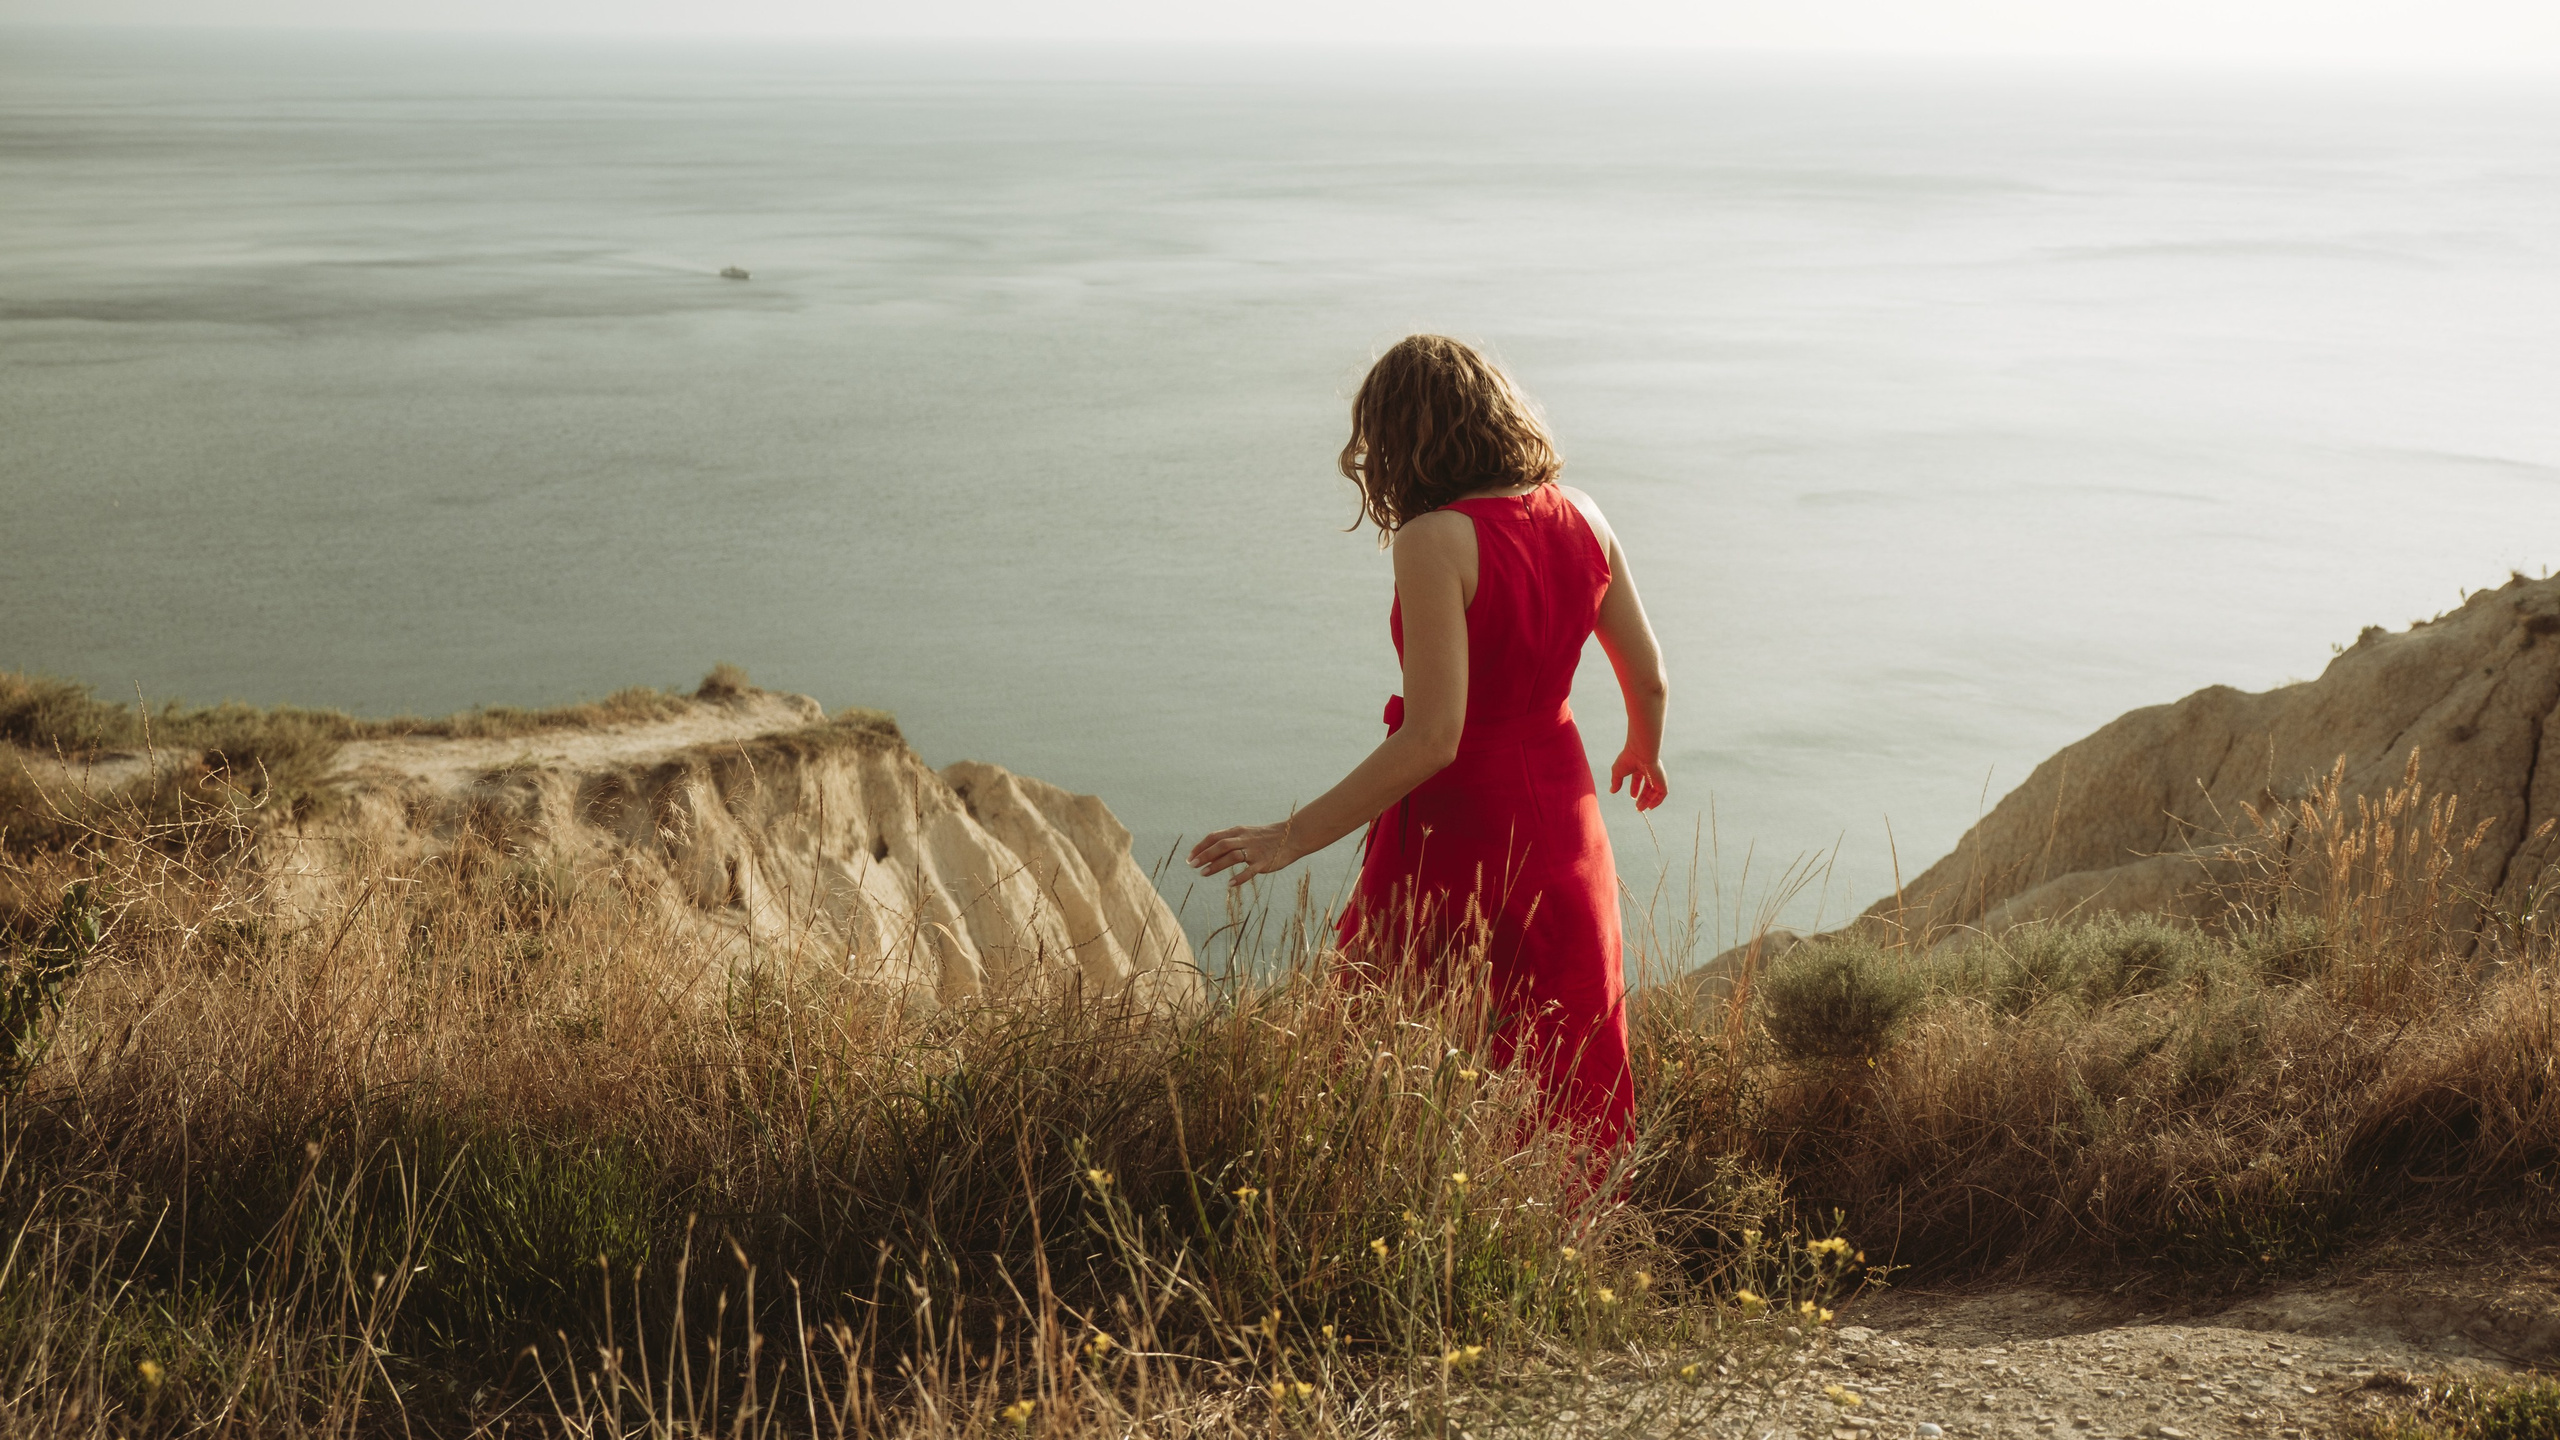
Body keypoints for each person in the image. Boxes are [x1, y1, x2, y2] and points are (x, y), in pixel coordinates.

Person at [1187, 334, 1669, 1155]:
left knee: (1388, 1049)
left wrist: (1289, 837)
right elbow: (1649, 676)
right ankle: (1573, 1243)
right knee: (1568, 1048)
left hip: (1459, 835)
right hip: (1565, 816)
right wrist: (1641, 750)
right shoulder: (1587, 515)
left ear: (1405, 440)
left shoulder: (1434, 540)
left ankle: (1398, 1223)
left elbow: (1435, 736)